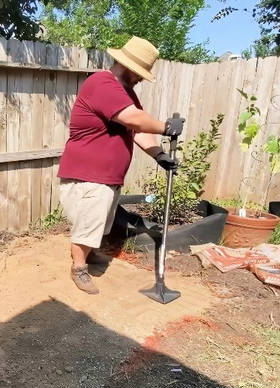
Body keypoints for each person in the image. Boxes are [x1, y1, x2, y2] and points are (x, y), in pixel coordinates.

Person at [57, 36, 185, 294]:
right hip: (88, 174)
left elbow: (136, 130)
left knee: (98, 223)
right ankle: (79, 268)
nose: (140, 79)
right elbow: (133, 119)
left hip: (108, 176)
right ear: (126, 66)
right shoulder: (101, 83)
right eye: (139, 74)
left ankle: (88, 256)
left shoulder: (126, 94)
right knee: (89, 223)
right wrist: (166, 127)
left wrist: (159, 154)